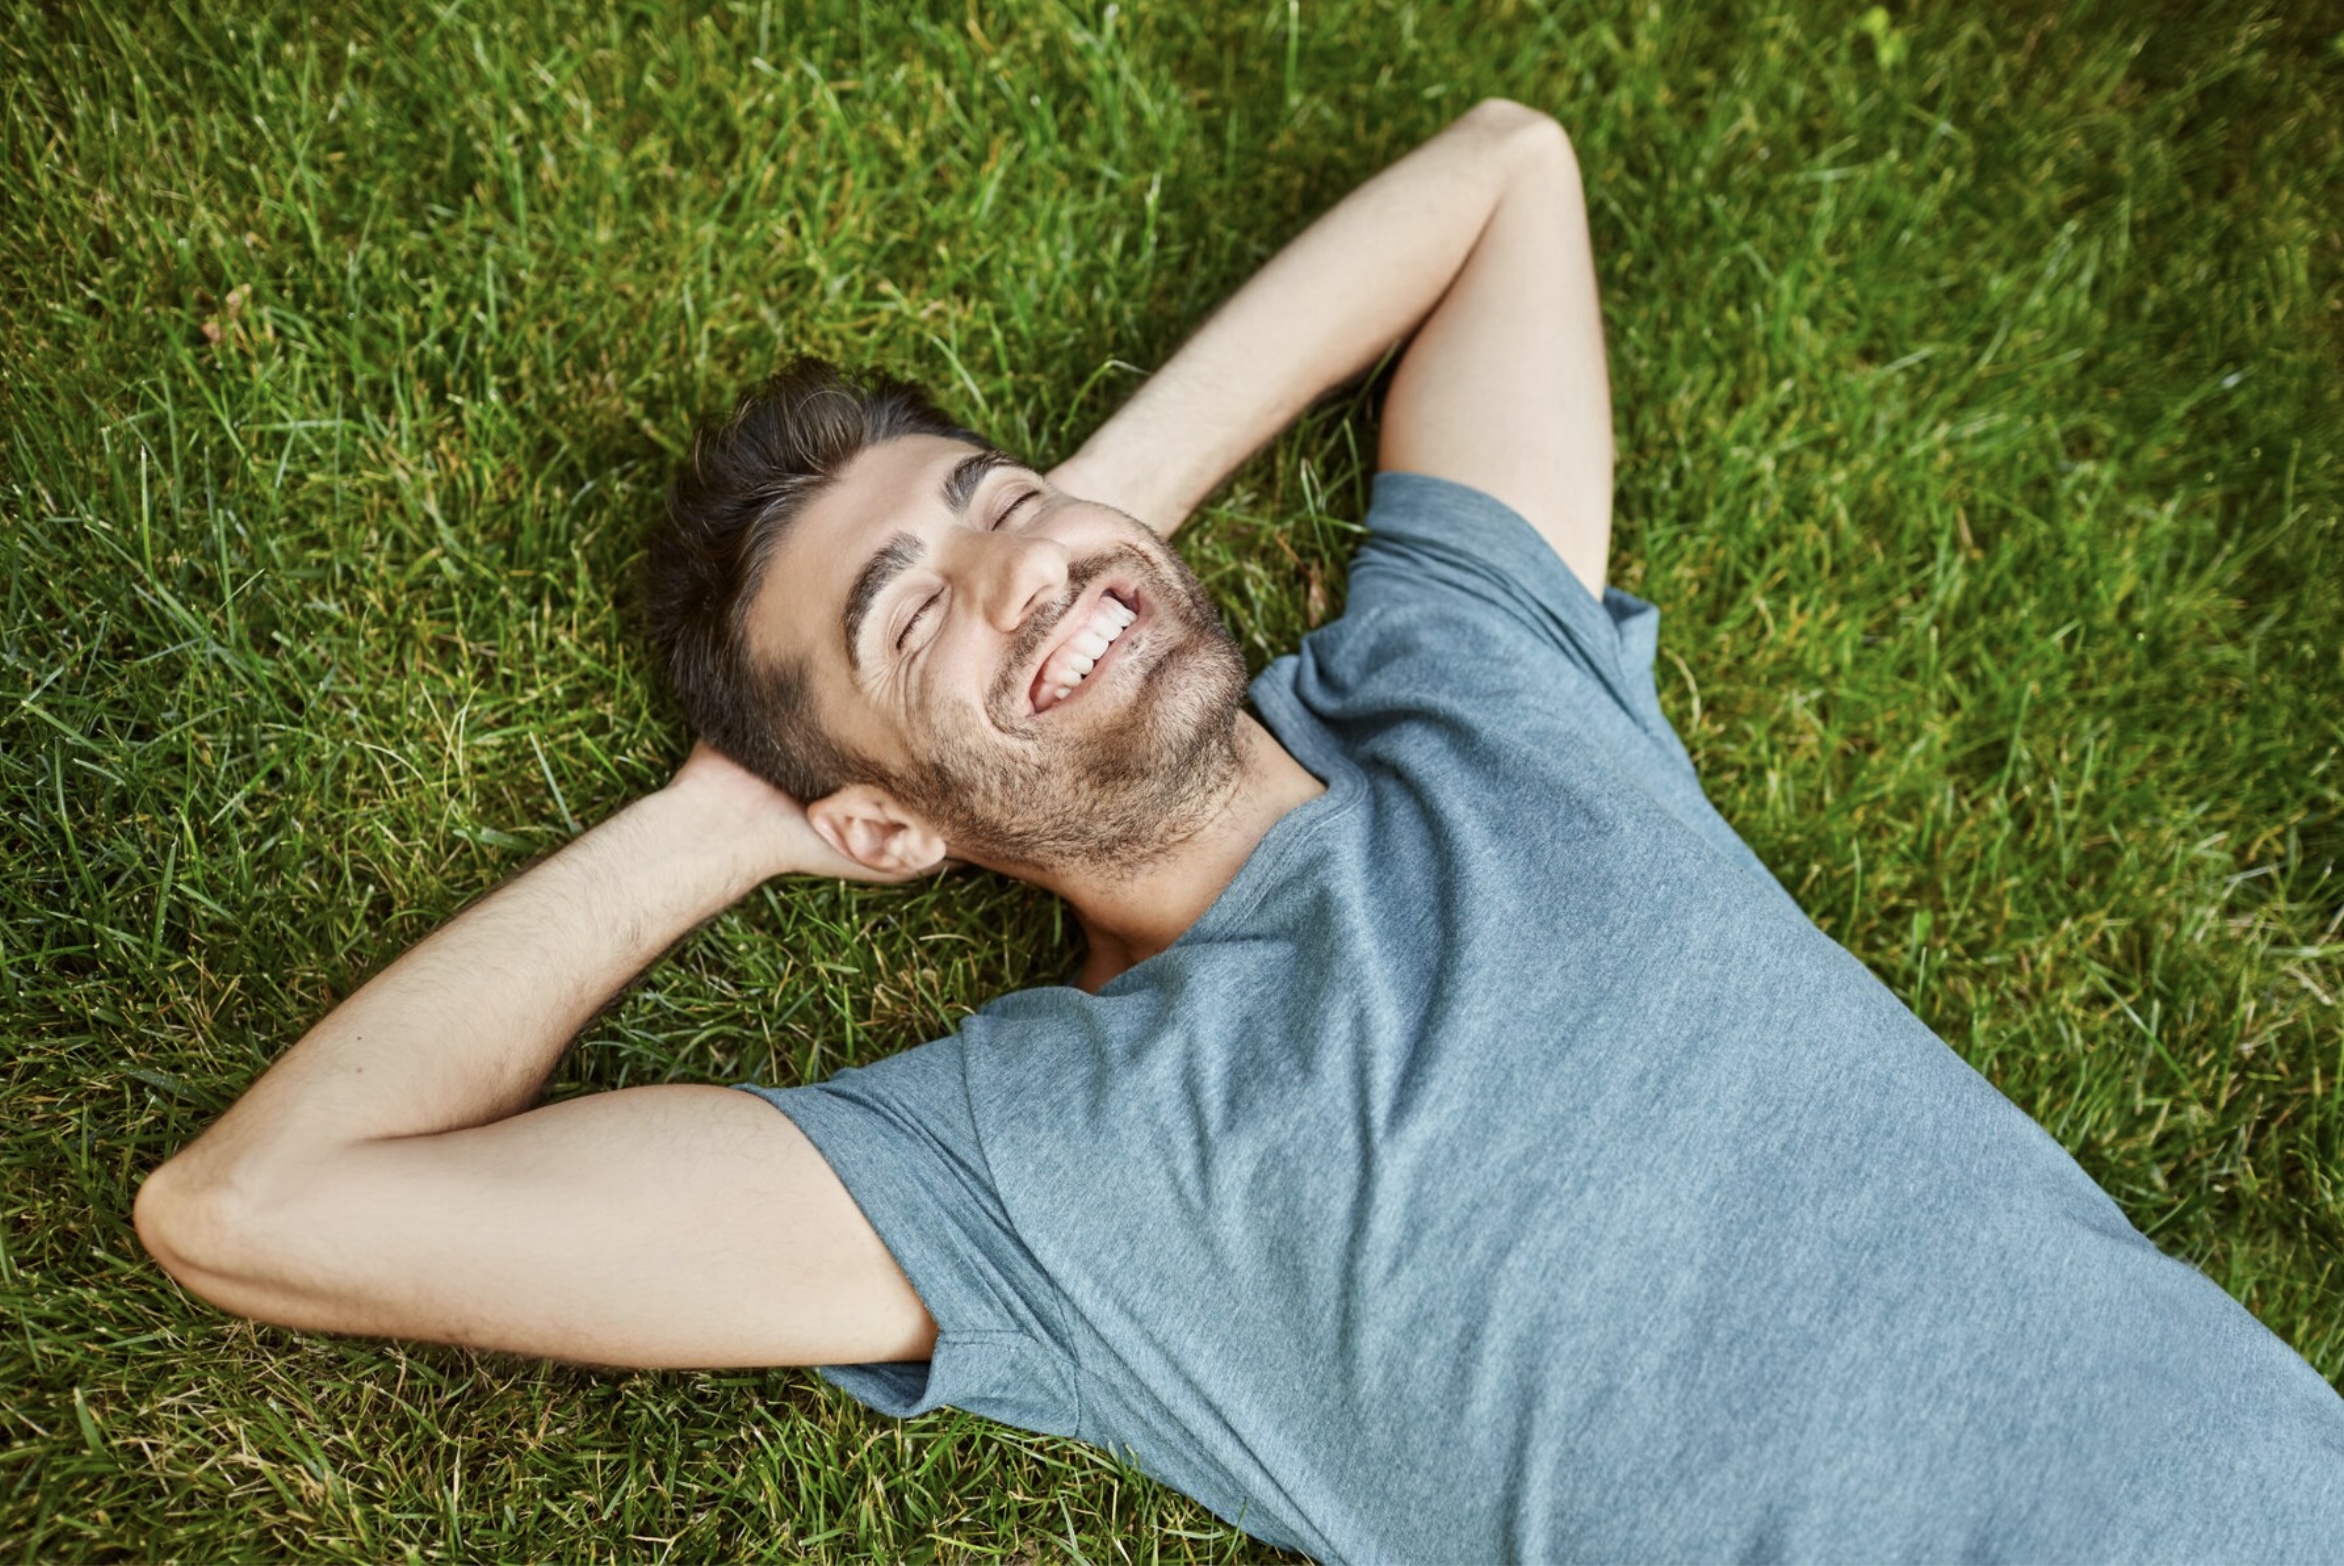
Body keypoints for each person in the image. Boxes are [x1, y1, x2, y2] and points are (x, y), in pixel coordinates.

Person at [133, 100, 2344, 1563]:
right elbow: (252, 1209)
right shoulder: (1032, 1171)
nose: (1012, 570)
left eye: (990, 499)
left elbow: (1504, 174)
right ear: (881, 822)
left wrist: (1060, 541)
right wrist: (734, 826)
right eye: (905, 622)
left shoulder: (1469, 688)